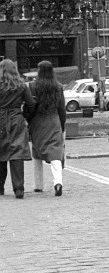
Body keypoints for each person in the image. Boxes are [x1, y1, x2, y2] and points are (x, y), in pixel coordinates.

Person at [27, 61, 67, 197]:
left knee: (37, 151)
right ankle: (58, 182)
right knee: (55, 153)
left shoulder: (32, 86)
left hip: (38, 122)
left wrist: (28, 121)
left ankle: (38, 185)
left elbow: (30, 106)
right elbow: (62, 109)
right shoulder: (58, 87)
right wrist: (62, 126)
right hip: (54, 120)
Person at [0, 59, 36, 199]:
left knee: (1, 152)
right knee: (16, 152)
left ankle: (0, 187)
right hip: (16, 120)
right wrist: (25, 115)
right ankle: (19, 189)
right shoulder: (21, 86)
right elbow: (31, 103)